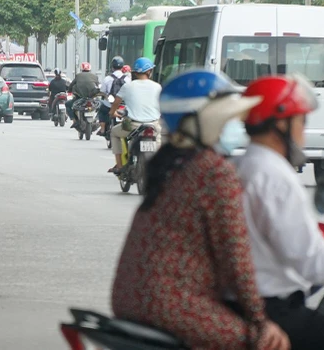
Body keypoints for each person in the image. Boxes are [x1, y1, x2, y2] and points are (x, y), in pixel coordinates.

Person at [112, 69, 288, 350]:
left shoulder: (171, 163)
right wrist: (260, 319)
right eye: (227, 119)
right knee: (269, 343)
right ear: (203, 122)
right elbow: (235, 255)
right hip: (169, 304)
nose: (236, 125)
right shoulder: (213, 171)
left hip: (132, 296)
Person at [236, 75, 324, 349]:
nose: (303, 133)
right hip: (272, 308)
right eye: (301, 121)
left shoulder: (240, 165)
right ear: (281, 123)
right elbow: (313, 263)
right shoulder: (275, 176)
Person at [108, 57, 161, 173]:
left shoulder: (128, 86)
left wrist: (112, 113)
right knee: (159, 146)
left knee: (114, 133)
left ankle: (119, 165)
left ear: (135, 72)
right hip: (154, 125)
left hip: (133, 126)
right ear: (149, 71)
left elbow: (116, 103)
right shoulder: (157, 87)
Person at [98, 56, 126, 136]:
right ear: (122, 67)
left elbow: (103, 91)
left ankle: (102, 129)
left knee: (102, 111)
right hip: (124, 103)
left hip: (111, 103)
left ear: (112, 67)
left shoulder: (107, 78)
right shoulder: (127, 79)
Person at [66, 62, 99, 127]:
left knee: (67, 104)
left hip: (80, 98)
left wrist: (69, 90)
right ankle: (96, 120)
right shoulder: (95, 76)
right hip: (91, 98)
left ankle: (74, 121)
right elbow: (97, 86)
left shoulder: (78, 76)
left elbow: (71, 85)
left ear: (81, 69)